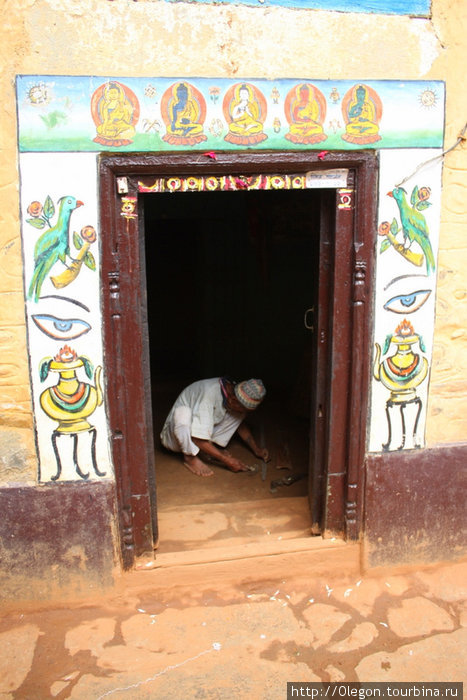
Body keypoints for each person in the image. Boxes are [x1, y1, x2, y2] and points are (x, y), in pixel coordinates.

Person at [160, 377, 269, 477]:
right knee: (182, 414)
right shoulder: (209, 394)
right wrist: (225, 460)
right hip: (175, 438)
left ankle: (205, 449)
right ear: (233, 400)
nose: (245, 413)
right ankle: (190, 457)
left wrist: (256, 449)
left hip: (197, 433)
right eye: (245, 410)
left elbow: (240, 424)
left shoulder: (234, 392)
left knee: (237, 413)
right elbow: (197, 439)